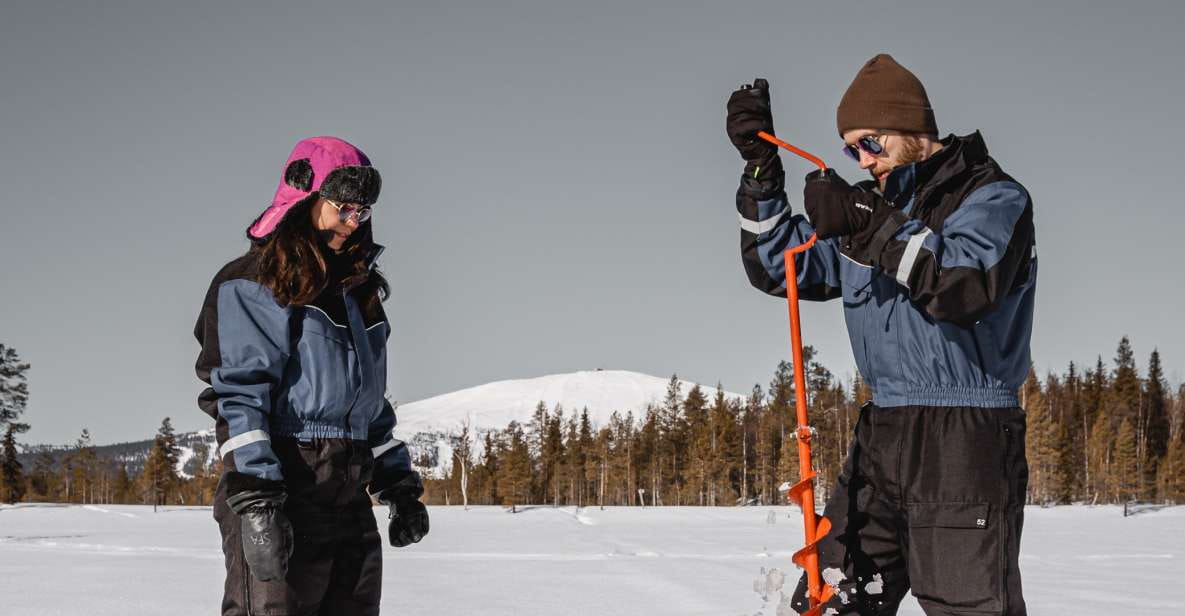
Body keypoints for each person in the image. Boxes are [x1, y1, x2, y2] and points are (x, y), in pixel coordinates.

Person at [726, 55, 1035, 615]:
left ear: (916, 130)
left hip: (964, 435)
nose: (863, 161)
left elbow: (964, 282)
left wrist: (869, 221)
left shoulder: (992, 197)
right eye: (851, 150)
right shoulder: (872, 215)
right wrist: (760, 170)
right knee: (834, 597)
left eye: (871, 142)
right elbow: (781, 266)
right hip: (883, 433)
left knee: (966, 605)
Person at [194, 136, 429, 615]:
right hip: (284, 485)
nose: (353, 221)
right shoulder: (254, 281)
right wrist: (258, 500)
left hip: (347, 493)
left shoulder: (357, 292)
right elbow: (239, 395)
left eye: (361, 211)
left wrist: (398, 485)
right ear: (305, 198)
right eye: (343, 206)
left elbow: (368, 405)